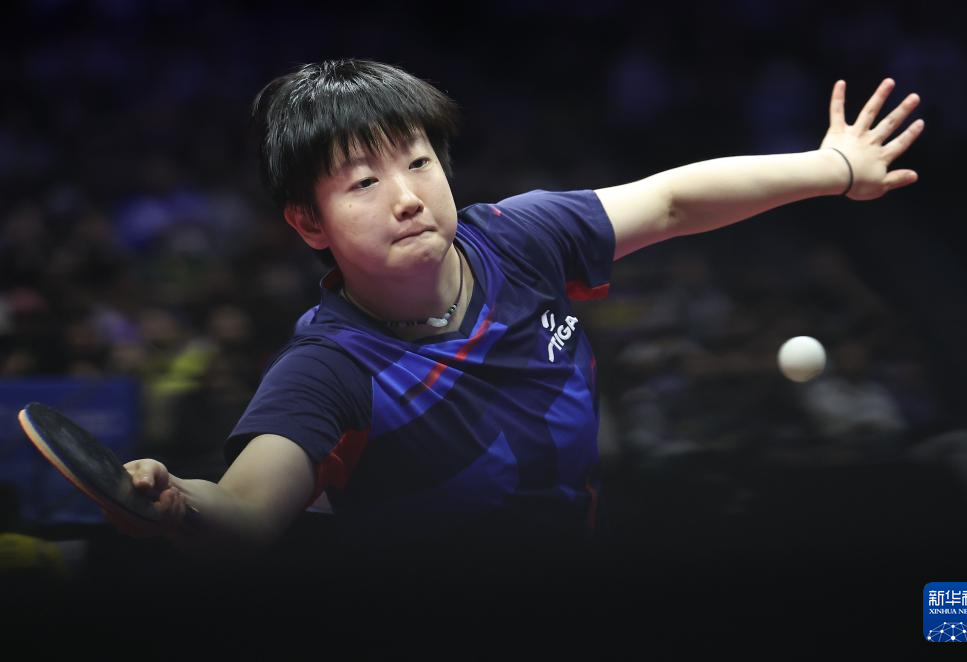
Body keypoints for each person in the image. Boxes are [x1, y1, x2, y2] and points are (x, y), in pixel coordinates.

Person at [108, 59, 924, 572]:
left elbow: (671, 202)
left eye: (418, 161)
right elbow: (250, 508)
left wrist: (833, 167)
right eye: (363, 183)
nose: (406, 197)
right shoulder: (328, 368)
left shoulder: (519, 238)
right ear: (307, 223)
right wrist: (181, 501)